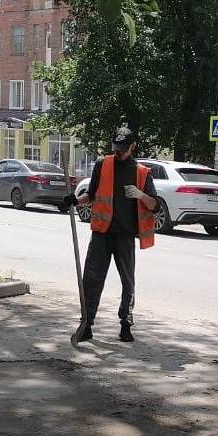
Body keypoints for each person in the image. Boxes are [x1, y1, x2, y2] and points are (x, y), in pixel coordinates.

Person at [63, 125, 158, 343]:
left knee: (127, 282)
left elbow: (154, 206)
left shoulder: (142, 173)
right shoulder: (102, 164)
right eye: (116, 147)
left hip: (125, 235)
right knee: (91, 280)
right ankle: (86, 324)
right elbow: (92, 194)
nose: (118, 152)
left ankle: (126, 323)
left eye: (123, 149)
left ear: (133, 146)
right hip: (101, 233)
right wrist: (74, 201)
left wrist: (140, 194)